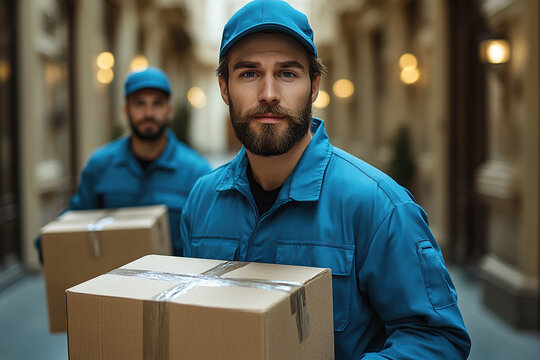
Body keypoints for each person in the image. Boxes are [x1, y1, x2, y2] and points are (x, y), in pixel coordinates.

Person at [180, 0, 471, 358]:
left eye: (287, 73)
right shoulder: (202, 201)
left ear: (314, 86)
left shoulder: (378, 206)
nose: (268, 93)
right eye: (249, 73)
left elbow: (438, 340)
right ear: (224, 88)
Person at [36, 66, 211, 259]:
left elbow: (208, 239)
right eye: (139, 104)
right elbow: (77, 217)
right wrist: (50, 241)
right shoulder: (100, 165)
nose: (149, 113)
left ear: (169, 111)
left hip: (173, 284)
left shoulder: (196, 172)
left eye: (157, 104)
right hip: (111, 283)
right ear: (126, 111)